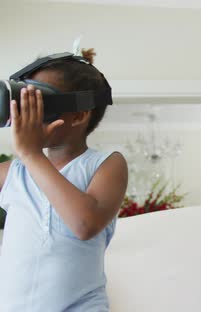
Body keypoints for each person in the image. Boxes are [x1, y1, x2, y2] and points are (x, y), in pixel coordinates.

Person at [0, 49, 128, 311]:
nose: (27, 116)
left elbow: (84, 224)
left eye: (37, 105)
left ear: (79, 115)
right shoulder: (14, 172)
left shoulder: (105, 164)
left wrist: (32, 153)